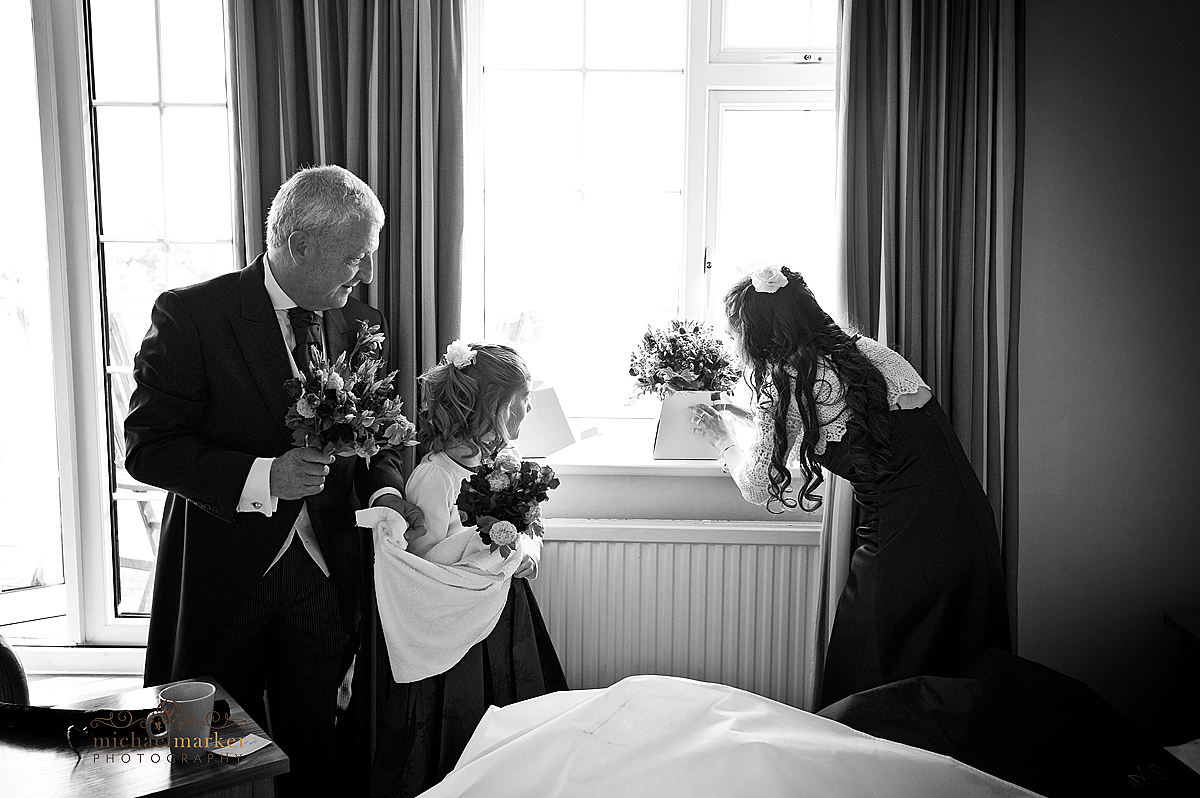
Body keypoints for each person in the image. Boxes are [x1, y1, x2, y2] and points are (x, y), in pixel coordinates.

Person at [124, 165, 425, 792]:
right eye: (355, 257)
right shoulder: (193, 317)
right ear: (297, 244)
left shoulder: (363, 325)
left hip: (328, 568)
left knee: (319, 743)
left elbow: (382, 440)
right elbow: (150, 449)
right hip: (224, 569)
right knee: (209, 750)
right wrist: (265, 476)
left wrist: (388, 491)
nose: (365, 274)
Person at [691, 264, 1010, 709]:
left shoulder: (788, 381)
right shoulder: (862, 351)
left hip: (904, 543)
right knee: (953, 682)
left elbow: (758, 485)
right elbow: (862, 420)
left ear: (759, 333)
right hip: (966, 528)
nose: (734, 344)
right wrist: (754, 420)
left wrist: (723, 442)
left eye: (734, 334)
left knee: (874, 679)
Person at [370, 342, 567, 797]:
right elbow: (425, 564)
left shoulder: (502, 464)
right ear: (492, 406)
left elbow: (529, 524)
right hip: (455, 627)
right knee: (465, 718)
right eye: (522, 402)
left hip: (504, 613)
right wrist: (483, 537)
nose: (529, 410)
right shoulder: (435, 477)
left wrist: (525, 553)